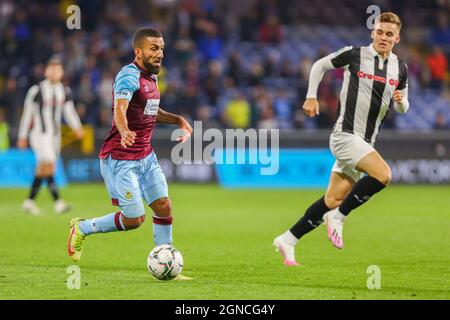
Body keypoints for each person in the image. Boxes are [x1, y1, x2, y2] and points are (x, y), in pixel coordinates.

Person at [274, 12, 409, 266]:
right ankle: (338, 217)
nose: (383, 37)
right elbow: (319, 65)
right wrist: (311, 96)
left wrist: (402, 102)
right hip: (344, 136)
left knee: (332, 199)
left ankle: (288, 239)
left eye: (389, 34)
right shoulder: (355, 54)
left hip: (365, 143)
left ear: (397, 38)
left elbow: (403, 108)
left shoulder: (400, 68)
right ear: (373, 32)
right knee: (384, 175)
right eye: (379, 32)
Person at [67, 28, 193, 263]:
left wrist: (178, 120)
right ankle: (83, 228)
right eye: (154, 48)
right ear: (138, 52)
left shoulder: (152, 77)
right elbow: (120, 107)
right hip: (121, 159)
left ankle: (166, 260)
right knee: (134, 219)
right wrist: (124, 130)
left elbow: (150, 111)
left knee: (164, 207)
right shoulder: (128, 75)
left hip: (146, 156)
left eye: (162, 48)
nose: (160, 54)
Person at [17, 58, 83, 215]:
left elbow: (69, 111)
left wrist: (77, 127)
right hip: (40, 134)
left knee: (42, 168)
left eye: (58, 69)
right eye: (52, 69)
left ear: (61, 73)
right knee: (50, 165)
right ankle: (58, 203)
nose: (55, 72)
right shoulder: (36, 90)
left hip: (55, 135)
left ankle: (29, 201)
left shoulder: (64, 91)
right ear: (46, 71)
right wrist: (22, 136)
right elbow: (27, 114)